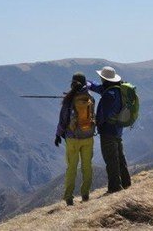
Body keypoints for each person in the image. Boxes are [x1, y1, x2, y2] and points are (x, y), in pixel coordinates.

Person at [87, 66, 131, 193]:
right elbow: (96, 87)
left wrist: (95, 123)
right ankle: (126, 182)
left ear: (104, 78)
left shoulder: (108, 95)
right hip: (118, 130)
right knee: (120, 157)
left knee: (111, 159)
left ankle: (115, 187)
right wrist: (87, 83)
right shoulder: (117, 89)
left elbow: (103, 115)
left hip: (108, 131)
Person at [55, 72, 95, 206]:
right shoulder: (90, 98)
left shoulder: (69, 99)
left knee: (71, 167)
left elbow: (63, 119)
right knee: (87, 167)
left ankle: (69, 197)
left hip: (72, 138)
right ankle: (85, 194)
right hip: (88, 136)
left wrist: (58, 135)